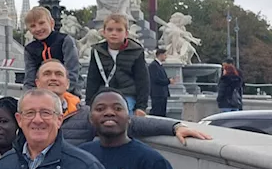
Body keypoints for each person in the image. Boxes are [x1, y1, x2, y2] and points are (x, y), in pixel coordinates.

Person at [34, 60, 208, 146]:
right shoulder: (23, 112)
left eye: (58, 74)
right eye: (47, 74)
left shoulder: (85, 114)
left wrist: (175, 127)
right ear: (37, 82)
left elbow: (131, 123)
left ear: (67, 83)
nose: (53, 78)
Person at [85, 13, 148, 114]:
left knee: (124, 115)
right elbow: (92, 79)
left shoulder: (136, 51)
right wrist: (88, 104)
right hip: (103, 94)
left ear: (126, 33)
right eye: (110, 30)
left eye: (119, 30)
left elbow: (142, 80)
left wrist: (141, 106)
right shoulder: (97, 51)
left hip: (126, 94)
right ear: (103, 32)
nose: (114, 33)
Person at [23, 6, 82, 94]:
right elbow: (30, 78)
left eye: (41, 23)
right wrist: (28, 95)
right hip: (42, 94)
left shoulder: (65, 40)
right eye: (33, 26)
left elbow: (72, 70)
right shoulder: (30, 49)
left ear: (52, 23)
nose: (38, 28)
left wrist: (64, 92)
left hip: (69, 92)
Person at [147, 48, 174, 117]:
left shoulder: (159, 65)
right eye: (165, 55)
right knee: (156, 112)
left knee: (162, 113)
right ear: (160, 55)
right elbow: (156, 79)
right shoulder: (153, 65)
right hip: (157, 94)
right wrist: (168, 81)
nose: (166, 56)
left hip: (162, 93)